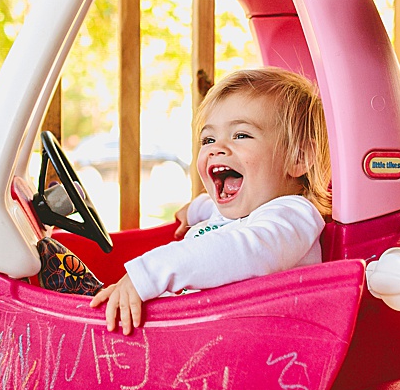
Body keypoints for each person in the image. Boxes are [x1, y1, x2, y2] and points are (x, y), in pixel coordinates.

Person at [89, 67, 330, 335]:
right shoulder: (240, 208)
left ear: (298, 158)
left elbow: (242, 250)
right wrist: (194, 209)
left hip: (242, 346)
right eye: (209, 139)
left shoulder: (293, 216)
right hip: (194, 331)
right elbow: (214, 211)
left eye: (241, 135)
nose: (217, 147)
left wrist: (150, 273)